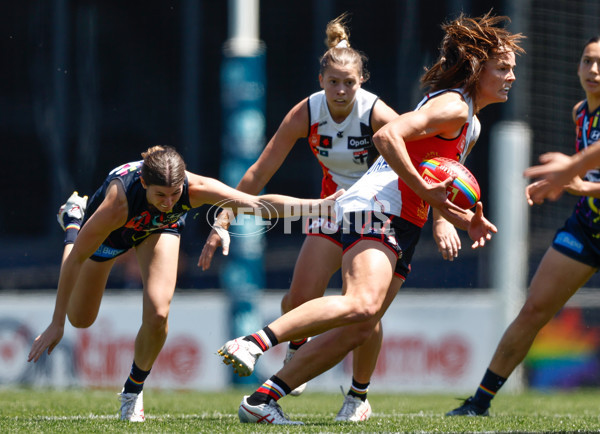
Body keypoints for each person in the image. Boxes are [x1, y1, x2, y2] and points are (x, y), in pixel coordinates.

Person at [217, 11, 523, 425]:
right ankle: (256, 341)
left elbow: (439, 178)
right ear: (476, 68)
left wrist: (451, 214)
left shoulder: (471, 121)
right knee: (358, 303)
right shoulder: (453, 104)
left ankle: (262, 400)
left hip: (402, 216)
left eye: (512, 69)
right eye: (502, 68)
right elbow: (386, 137)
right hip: (379, 206)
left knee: (362, 323)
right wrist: (425, 194)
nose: (511, 77)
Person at [27, 146, 337, 422]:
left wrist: (317, 207)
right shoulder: (117, 204)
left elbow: (256, 204)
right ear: (145, 183)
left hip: (159, 230)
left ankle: (132, 392)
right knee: (81, 319)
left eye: (175, 194)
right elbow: (75, 259)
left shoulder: (194, 189)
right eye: (160, 195)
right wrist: (57, 323)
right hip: (112, 237)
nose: (168, 201)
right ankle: (73, 219)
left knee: (159, 313)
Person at [199, 13, 404, 421]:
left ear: (361, 80)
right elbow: (259, 172)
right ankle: (298, 352)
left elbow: (419, 162)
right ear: (321, 81)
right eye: (333, 82)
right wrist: (222, 221)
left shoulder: (378, 113)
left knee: (364, 307)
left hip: (379, 211)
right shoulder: (306, 113)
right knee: (297, 298)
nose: (341, 89)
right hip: (331, 207)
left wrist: (440, 218)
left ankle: (358, 397)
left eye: (350, 81)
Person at [446, 36, 600, 417]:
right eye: (587, 61)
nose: (593, 70)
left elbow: (584, 175)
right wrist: (569, 182)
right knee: (533, 310)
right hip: (587, 226)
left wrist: (580, 182)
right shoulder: (581, 112)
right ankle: (478, 402)